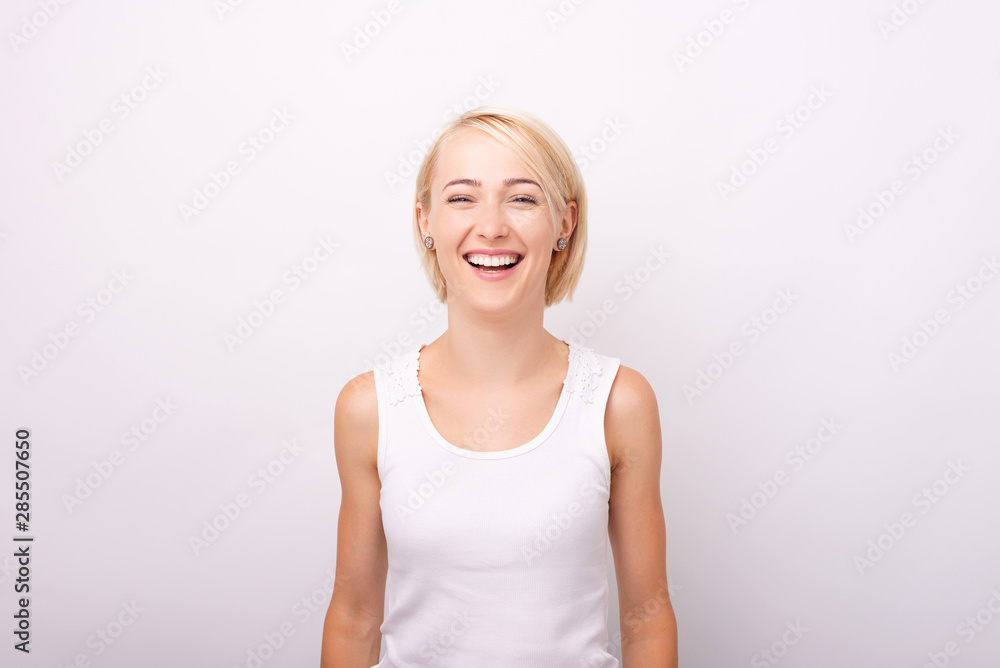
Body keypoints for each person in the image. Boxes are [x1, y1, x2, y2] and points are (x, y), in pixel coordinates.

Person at [320, 106, 677, 667]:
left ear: (565, 222)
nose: (491, 226)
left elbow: (647, 618)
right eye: (462, 197)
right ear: (425, 220)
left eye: (523, 198)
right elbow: (353, 617)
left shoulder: (618, 402)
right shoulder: (370, 408)